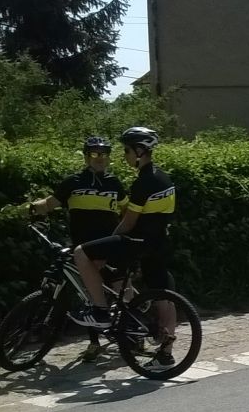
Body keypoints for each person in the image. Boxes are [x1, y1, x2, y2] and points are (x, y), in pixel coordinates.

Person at [71, 127, 178, 369]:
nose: (125, 156)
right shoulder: (163, 177)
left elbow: (128, 223)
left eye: (127, 151)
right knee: (163, 294)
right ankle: (166, 354)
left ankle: (100, 310)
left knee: (81, 253)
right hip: (159, 243)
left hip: (137, 243)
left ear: (139, 151)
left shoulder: (143, 182)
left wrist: (107, 246)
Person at [29, 136, 126, 362]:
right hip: (83, 247)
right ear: (86, 157)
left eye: (104, 154)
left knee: (122, 287)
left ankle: (133, 333)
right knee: (87, 296)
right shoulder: (73, 182)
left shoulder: (114, 183)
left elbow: (126, 210)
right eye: (94, 154)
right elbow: (50, 204)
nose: (100, 158)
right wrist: (30, 208)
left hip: (109, 245)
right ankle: (94, 343)